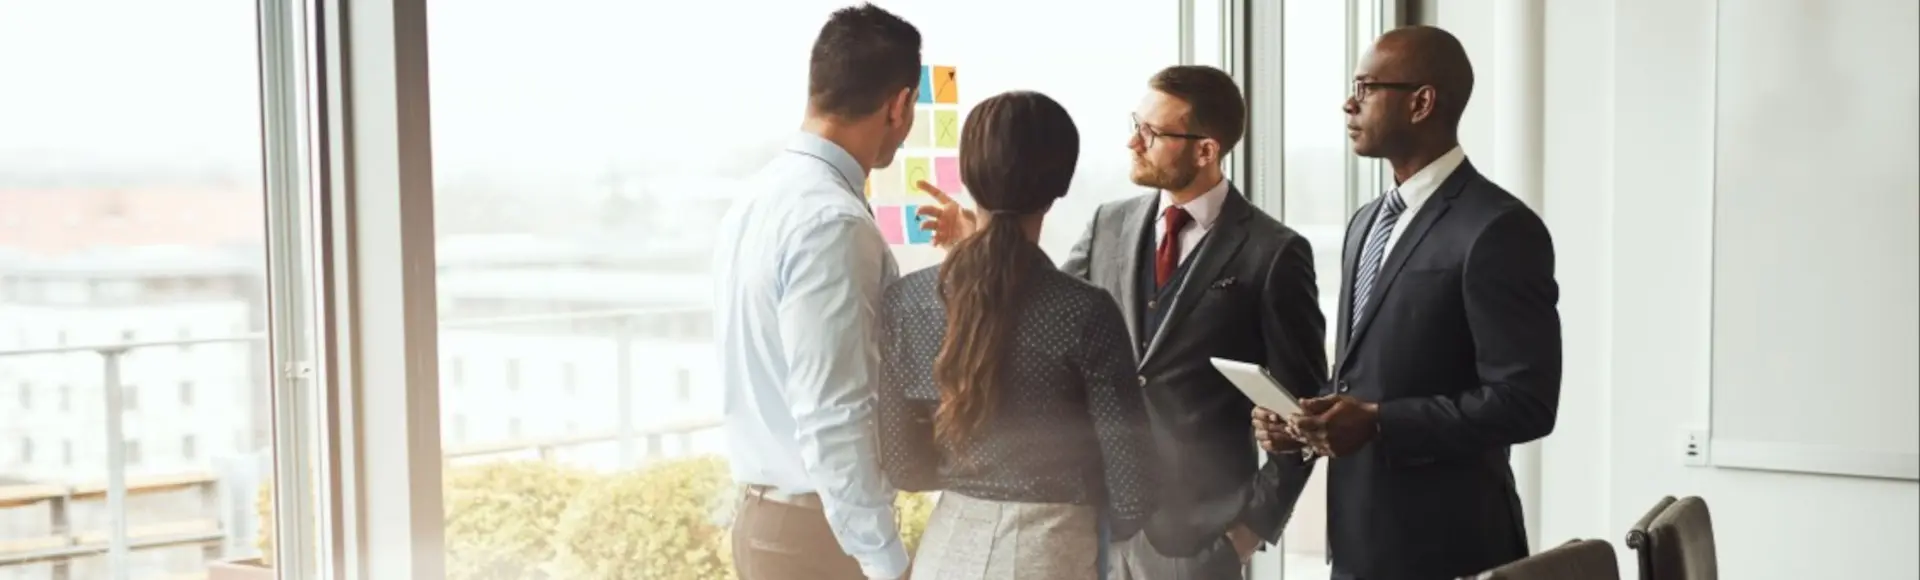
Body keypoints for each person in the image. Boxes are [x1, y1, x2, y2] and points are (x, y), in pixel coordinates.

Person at [916, 65, 1327, 580]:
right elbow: (1039, 314)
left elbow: (1306, 411)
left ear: (1206, 150)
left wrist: (1246, 533)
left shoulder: (1274, 253)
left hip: (1198, 540)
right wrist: (979, 235)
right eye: (1137, 122)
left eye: (1152, 133)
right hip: (1095, 524)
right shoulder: (1108, 222)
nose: (1133, 140)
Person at [1252, 25, 1562, 580]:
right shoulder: (1364, 222)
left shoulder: (1499, 228)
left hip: (1450, 550)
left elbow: (1525, 401)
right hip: (1356, 543)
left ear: (1421, 102)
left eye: (1366, 87)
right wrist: (1306, 421)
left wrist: (1378, 423)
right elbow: (1367, 377)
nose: (1349, 103)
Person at [873, 90, 1158, 579]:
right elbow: (1133, 489)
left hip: (945, 552)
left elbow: (903, 467)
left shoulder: (908, 302)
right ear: (1060, 184)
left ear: (968, 176)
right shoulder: (1084, 311)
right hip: (1051, 554)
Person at [710, 5, 922, 580]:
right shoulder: (833, 221)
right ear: (899, 105)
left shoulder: (759, 197)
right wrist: (886, 562)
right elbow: (835, 412)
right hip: (819, 541)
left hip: (770, 521)